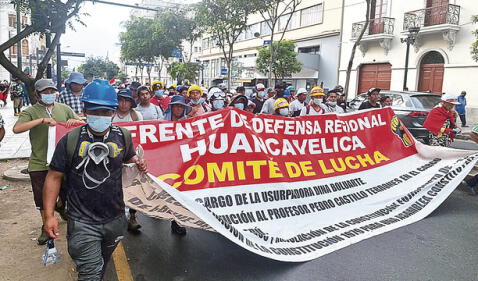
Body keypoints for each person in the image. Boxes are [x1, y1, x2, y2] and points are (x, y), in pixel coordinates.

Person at [42, 79, 147, 281]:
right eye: (95, 111)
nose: (101, 116)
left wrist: (137, 161)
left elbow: (128, 157)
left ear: (113, 112)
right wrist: (49, 216)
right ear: (86, 109)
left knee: (101, 265)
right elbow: (53, 177)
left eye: (106, 112)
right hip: (82, 222)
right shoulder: (70, 140)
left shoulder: (123, 136)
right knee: (89, 273)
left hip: (115, 220)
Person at [13, 79, 82, 245]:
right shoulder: (31, 111)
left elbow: (83, 124)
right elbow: (17, 129)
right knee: (42, 198)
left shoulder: (64, 109)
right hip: (39, 162)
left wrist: (75, 121)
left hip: (64, 162)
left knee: (69, 191)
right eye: (46, 92)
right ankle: (45, 226)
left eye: (52, 91)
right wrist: (42, 121)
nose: (50, 95)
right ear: (37, 94)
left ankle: (60, 205)